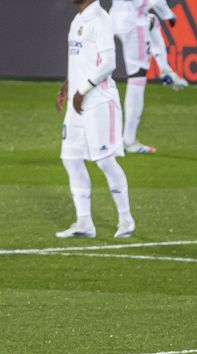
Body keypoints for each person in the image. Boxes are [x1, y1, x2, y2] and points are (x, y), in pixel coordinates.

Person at [56, 0, 135, 239]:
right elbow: (83, 61)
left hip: (99, 102)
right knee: (70, 158)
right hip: (77, 102)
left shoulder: (100, 19)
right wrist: (68, 85)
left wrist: (83, 90)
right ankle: (84, 222)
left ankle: (126, 219)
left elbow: (109, 63)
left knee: (105, 161)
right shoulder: (78, 19)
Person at [109, 0, 188, 153]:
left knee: (152, 21)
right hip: (133, 21)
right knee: (137, 77)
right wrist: (169, 14)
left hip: (114, 18)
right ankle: (128, 141)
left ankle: (165, 69)